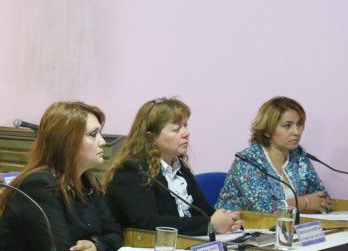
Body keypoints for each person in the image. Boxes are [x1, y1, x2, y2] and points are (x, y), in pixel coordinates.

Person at [0, 101, 123, 251]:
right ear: (67, 141)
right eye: (93, 134)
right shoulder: (38, 186)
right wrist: (96, 247)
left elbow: (116, 234)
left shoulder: (88, 182)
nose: (102, 141)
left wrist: (97, 246)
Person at [103, 97, 243, 236]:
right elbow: (148, 223)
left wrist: (227, 222)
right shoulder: (131, 170)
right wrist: (210, 225)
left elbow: (204, 211)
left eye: (185, 126)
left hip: (184, 245)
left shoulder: (179, 166)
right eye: (176, 129)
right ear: (151, 137)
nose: (186, 133)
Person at [216, 96, 330, 213]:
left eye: (299, 124)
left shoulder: (299, 157)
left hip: (285, 228)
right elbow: (263, 209)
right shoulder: (248, 161)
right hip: (239, 228)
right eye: (287, 125)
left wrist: (311, 204)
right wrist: (305, 202)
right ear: (267, 131)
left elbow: (323, 200)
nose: (296, 132)